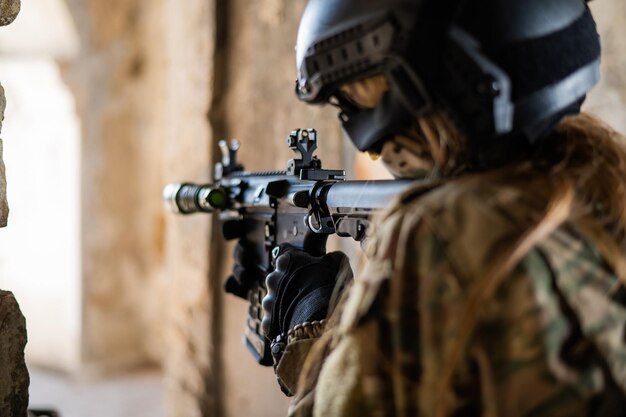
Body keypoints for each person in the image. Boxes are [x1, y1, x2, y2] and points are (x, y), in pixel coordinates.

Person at [229, 0, 626, 415]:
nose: (373, 144)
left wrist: (311, 330)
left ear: (451, 78)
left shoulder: (439, 231)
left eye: (371, 94)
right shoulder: (600, 180)